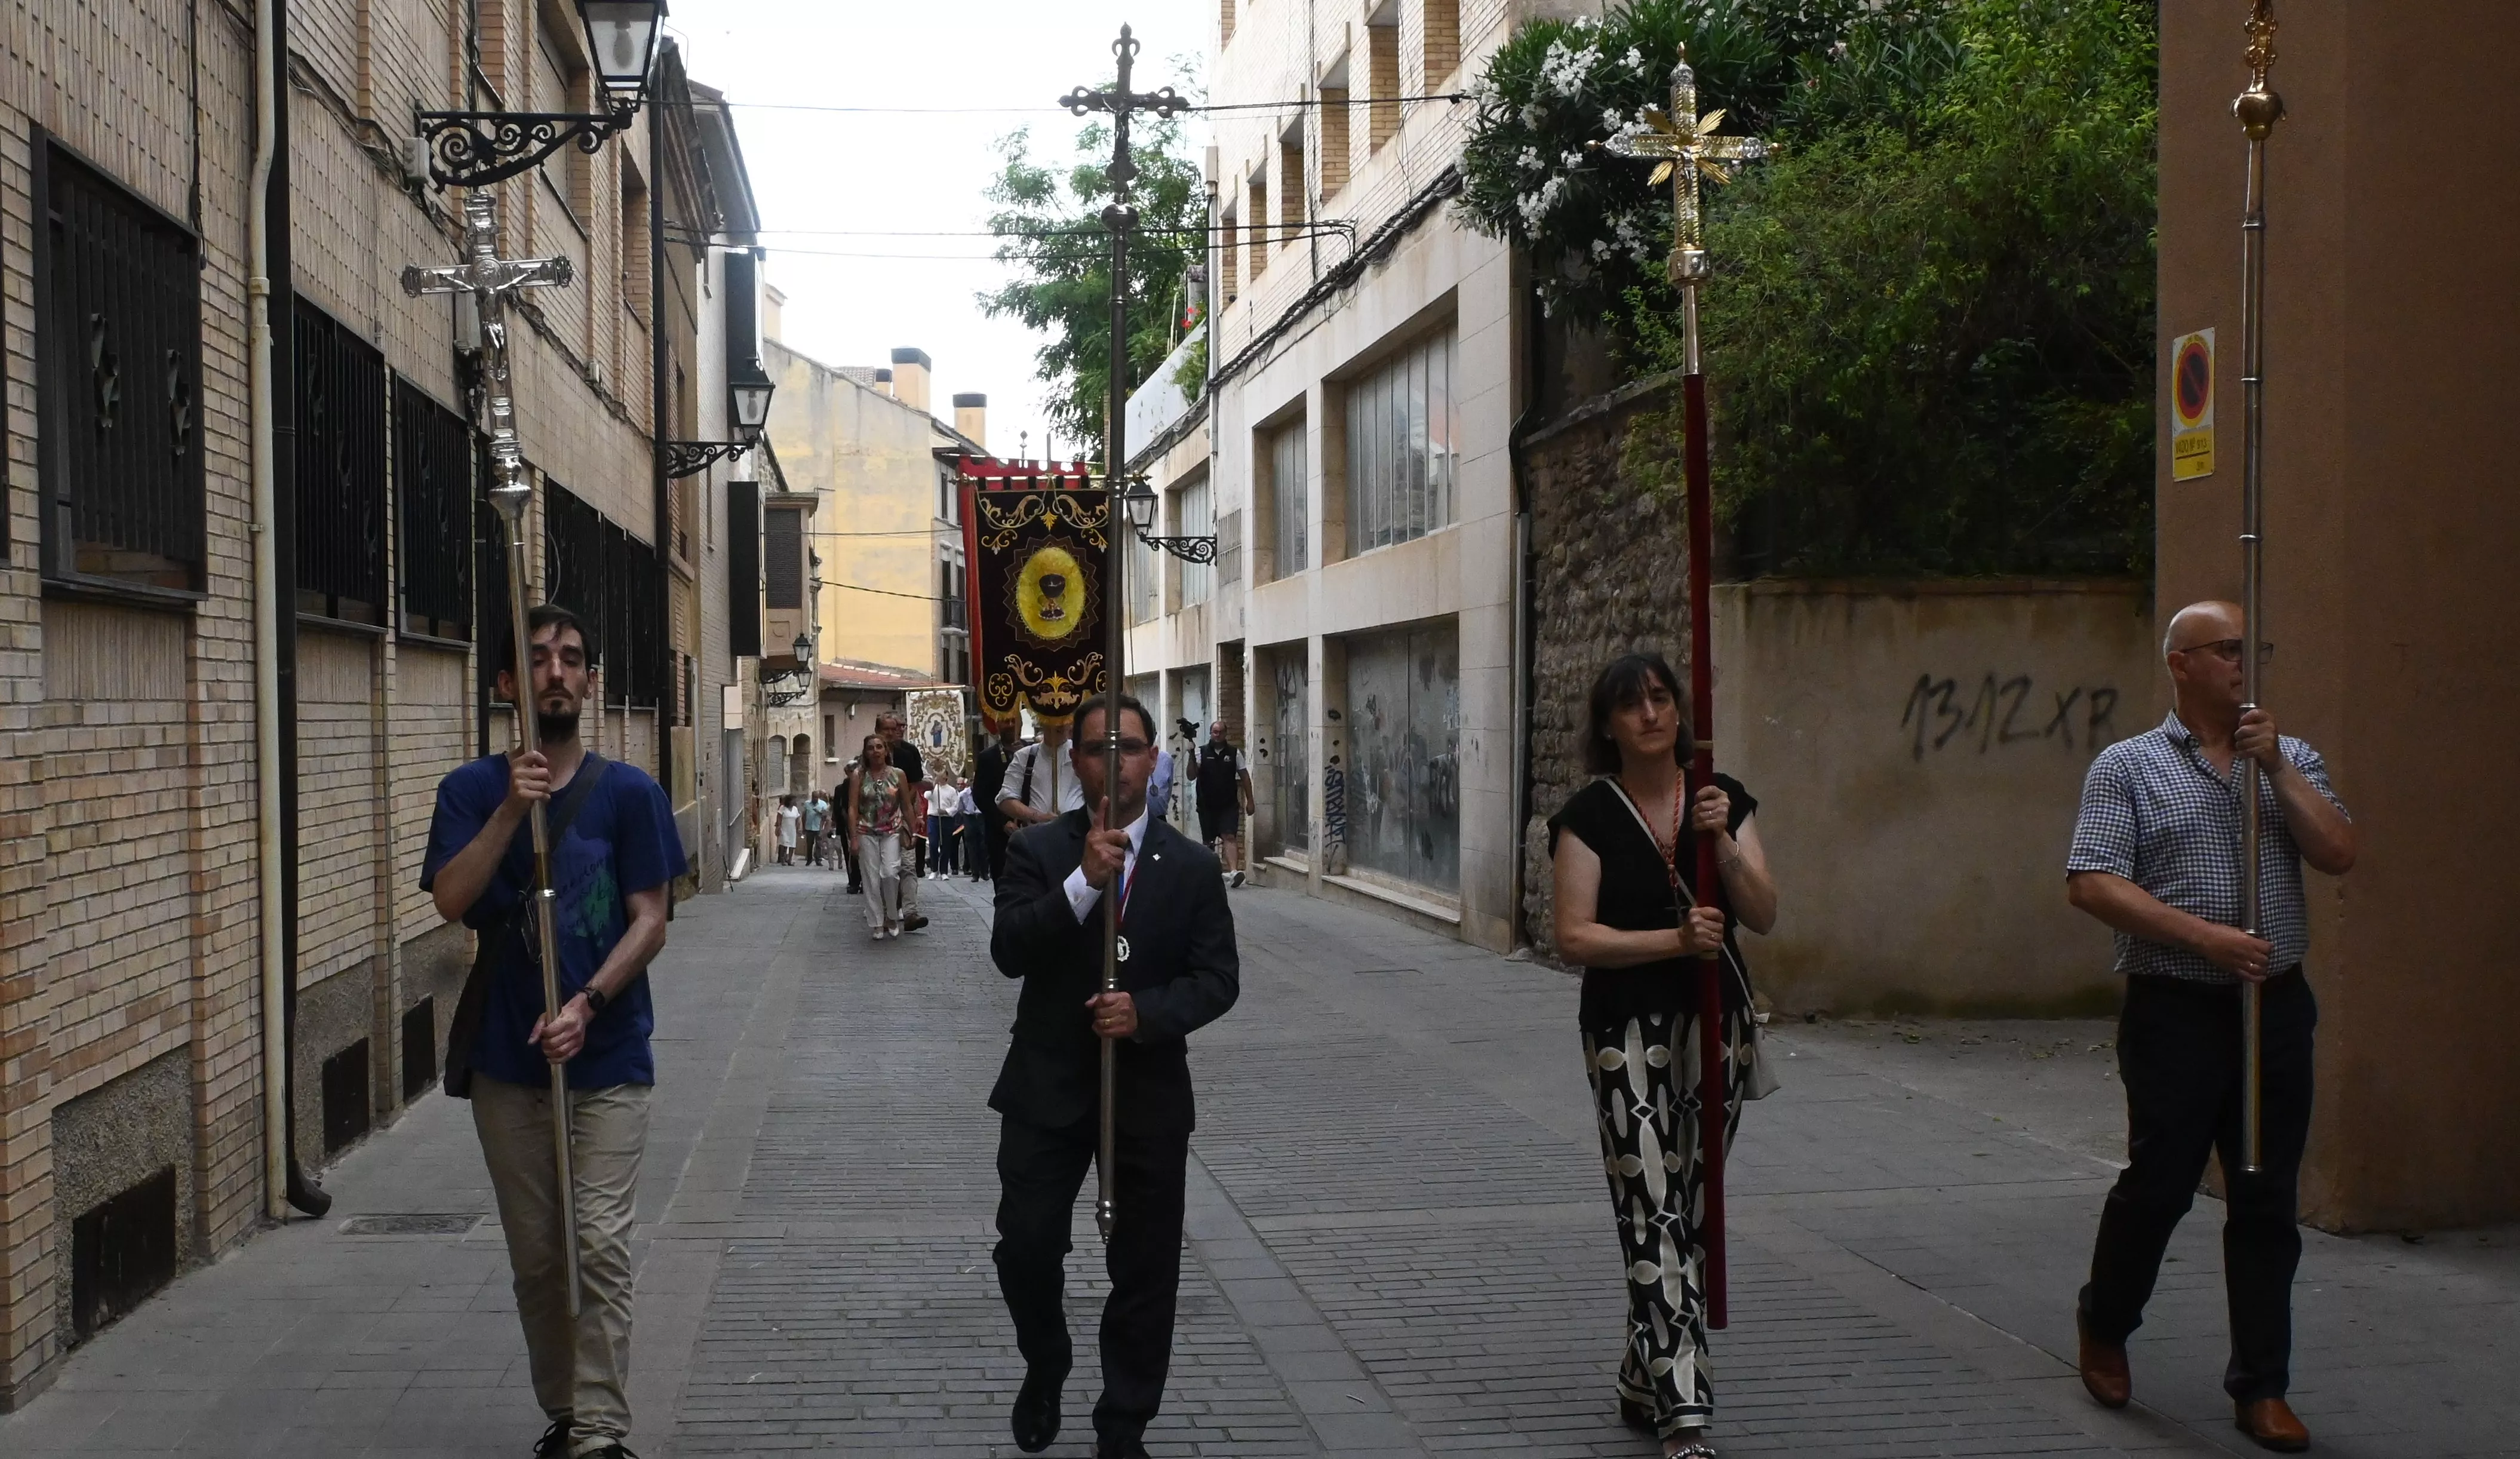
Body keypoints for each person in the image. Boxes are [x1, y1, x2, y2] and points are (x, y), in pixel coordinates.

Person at [2065, 600, 2355, 1454]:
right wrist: (2207, 938)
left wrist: (2279, 775)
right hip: (2177, 1007)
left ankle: (2262, 1383)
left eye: (2249, 647)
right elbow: (2091, 881)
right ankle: (2106, 1317)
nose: (2242, 661)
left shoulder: (2289, 755)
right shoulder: (2129, 767)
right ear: (2181, 663)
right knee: (2161, 1181)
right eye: (2226, 649)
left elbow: (2339, 851)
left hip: (2275, 1007)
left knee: (2267, 1195)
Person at [421, 604, 685, 1459]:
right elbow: (451, 899)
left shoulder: (631, 792)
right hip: (507, 1065)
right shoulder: (468, 791)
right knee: (541, 1259)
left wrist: (589, 1003)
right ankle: (568, 1408)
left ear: (591, 678)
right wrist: (510, 809)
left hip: (608, 1057)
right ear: (507, 683)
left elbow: (652, 916)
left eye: (572, 657)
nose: (557, 672)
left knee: (600, 1244)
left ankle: (602, 1431)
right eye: (537, 659)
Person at [989, 692, 1240, 1459]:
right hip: (1048, 1085)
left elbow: (1217, 977)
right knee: (1025, 1243)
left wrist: (1148, 1013)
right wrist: (1083, 884)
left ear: (1153, 758)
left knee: (1145, 1264)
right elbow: (1009, 950)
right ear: (1076, 762)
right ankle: (1046, 1357)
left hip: (1146, 1092)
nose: (1114, 763)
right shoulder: (1038, 853)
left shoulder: (1190, 866)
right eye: (1097, 749)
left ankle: (1123, 1421)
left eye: (1128, 747)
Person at [1548, 652, 1777, 1459]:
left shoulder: (1721, 798)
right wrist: (1672, 939)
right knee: (1654, 1207)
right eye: (1631, 703)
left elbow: (1765, 910)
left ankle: (1641, 1378)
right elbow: (1574, 936)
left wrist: (1727, 843)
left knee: (1696, 1207)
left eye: (1661, 697)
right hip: (1625, 1035)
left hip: (1713, 1026)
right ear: (1607, 724)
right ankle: (1684, 1409)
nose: (1651, 713)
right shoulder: (1590, 815)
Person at [847, 733, 915, 939]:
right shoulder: (858, 776)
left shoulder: (898, 774)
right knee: (871, 878)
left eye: (879, 747)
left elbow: (906, 804)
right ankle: (876, 922)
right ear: (865, 753)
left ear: (886, 751)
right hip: (866, 830)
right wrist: (854, 837)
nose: (875, 751)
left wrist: (913, 830)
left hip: (892, 830)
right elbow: (852, 807)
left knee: (890, 873)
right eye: (871, 748)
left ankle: (892, 916)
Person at [878, 712, 930, 932]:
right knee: (887, 868)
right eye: (890, 728)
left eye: (899, 727)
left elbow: (914, 785)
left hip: (906, 810)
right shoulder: (872, 753)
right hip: (878, 817)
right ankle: (889, 907)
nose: (896, 731)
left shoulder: (908, 753)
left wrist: (907, 811)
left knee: (908, 864)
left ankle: (911, 912)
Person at [1191, 721, 1255, 888]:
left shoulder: (1234, 753)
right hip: (1207, 805)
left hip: (1228, 804)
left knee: (1229, 836)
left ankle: (1234, 871)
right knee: (1209, 841)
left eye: (1220, 732)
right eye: (1214, 732)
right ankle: (1210, 872)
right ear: (1211, 733)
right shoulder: (1201, 752)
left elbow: (1245, 776)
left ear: (1225, 734)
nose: (1217, 735)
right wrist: (1191, 754)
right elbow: (1191, 775)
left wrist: (1250, 800)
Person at [998, 718, 1086, 829]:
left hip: (1078, 834)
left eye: (1064, 719)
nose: (1059, 724)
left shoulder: (1082, 755)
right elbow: (1005, 798)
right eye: (1052, 719)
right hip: (1036, 836)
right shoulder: (1024, 756)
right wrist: (1037, 817)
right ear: (1042, 721)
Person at [974, 723, 1019, 881]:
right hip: (999, 831)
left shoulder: (1032, 752)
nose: (1011, 726)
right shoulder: (988, 757)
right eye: (1006, 722)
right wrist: (1003, 822)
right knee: (1001, 877)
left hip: (1028, 826)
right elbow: (981, 796)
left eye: (1014, 721)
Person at [801, 789, 828, 869]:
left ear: (819, 797)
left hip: (818, 827)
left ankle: (818, 859)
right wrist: (803, 827)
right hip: (809, 827)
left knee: (819, 844)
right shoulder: (807, 804)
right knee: (809, 844)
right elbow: (804, 816)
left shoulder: (823, 804)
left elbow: (825, 816)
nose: (815, 799)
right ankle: (809, 859)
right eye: (814, 797)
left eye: (816, 797)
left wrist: (819, 812)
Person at [774, 794, 800, 865]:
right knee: (783, 843)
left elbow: (798, 819)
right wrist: (778, 826)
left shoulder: (795, 809)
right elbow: (779, 817)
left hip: (792, 829)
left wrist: (798, 828)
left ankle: (790, 859)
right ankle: (782, 859)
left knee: (792, 844)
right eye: (794, 800)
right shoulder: (783, 808)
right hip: (784, 828)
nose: (795, 802)